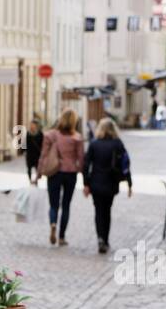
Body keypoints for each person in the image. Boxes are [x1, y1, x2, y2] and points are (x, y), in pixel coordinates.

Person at [82, 117, 133, 255]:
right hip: (111, 183)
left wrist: (85, 184)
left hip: (96, 183)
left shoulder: (94, 144)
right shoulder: (117, 144)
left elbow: (86, 165)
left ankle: (100, 238)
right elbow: (126, 164)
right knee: (107, 211)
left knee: (98, 211)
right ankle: (105, 239)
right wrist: (129, 183)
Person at [41, 109, 85, 246]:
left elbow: (43, 156)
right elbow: (81, 159)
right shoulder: (77, 137)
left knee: (53, 204)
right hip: (70, 174)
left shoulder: (50, 135)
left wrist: (38, 174)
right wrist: (80, 172)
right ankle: (61, 237)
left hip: (54, 172)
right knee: (66, 205)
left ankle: (53, 223)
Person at [24, 119, 43, 183]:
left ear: (36, 126)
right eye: (31, 125)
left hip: (37, 154)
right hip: (29, 154)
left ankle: (36, 180)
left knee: (37, 168)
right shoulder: (28, 133)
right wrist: (24, 151)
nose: (32, 126)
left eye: (33, 125)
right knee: (29, 168)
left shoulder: (40, 134)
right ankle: (30, 180)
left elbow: (42, 144)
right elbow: (25, 143)